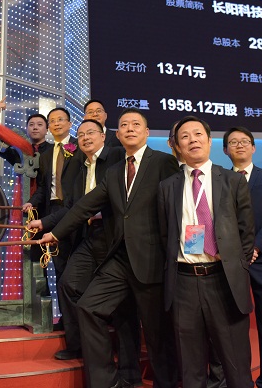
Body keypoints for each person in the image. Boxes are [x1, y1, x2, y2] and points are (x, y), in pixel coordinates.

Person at [40, 108, 179, 388]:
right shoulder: (115, 171)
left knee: (156, 333)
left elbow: (176, 207)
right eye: (124, 124)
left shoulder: (163, 162)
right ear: (117, 132)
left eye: (136, 124)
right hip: (118, 258)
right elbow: (84, 206)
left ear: (146, 132)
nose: (129, 128)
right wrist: (54, 232)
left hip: (152, 259)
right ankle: (107, 382)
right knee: (89, 308)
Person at [158, 115, 255, 388]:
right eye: (185, 136)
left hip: (224, 280)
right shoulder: (167, 187)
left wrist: (235, 265)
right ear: (177, 146)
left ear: (210, 141)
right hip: (184, 283)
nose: (192, 140)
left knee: (236, 364)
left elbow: (247, 231)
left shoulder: (233, 181)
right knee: (190, 366)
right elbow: (165, 235)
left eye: (198, 134)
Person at [48, 119, 142, 385]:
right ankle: (78, 345)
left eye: (91, 133)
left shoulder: (117, 158)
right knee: (69, 284)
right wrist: (46, 225)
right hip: (90, 236)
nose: (86, 138)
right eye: (80, 135)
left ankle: (129, 373)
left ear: (104, 136)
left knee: (125, 308)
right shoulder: (78, 167)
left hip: (117, 237)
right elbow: (75, 207)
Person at [223, 126, 262, 388]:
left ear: (253, 147)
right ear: (225, 150)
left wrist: (256, 247)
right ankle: (237, 379)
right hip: (229, 262)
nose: (239, 145)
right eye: (233, 142)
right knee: (230, 323)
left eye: (244, 141)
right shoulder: (219, 179)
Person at [21, 107, 81, 327]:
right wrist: (31, 202)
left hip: (77, 211)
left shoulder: (79, 147)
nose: (56, 123)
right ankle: (66, 320)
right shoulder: (45, 155)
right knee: (58, 266)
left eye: (60, 120)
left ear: (69, 124)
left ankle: (80, 319)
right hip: (52, 212)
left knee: (75, 269)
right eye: (52, 120)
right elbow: (43, 188)